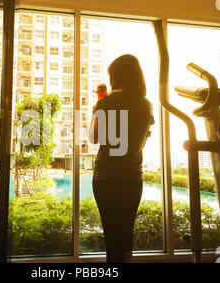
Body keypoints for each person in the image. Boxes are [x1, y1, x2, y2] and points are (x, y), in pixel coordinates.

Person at [88, 54, 154, 263]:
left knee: (112, 235)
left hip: (106, 177)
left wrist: (97, 109)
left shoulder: (105, 102)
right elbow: (140, 144)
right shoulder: (145, 105)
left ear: (116, 77)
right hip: (132, 179)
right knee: (126, 232)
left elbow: (94, 137)